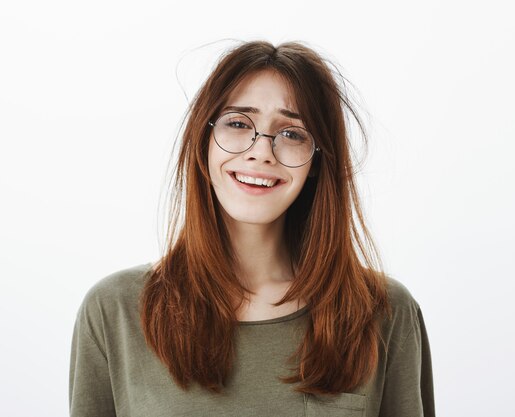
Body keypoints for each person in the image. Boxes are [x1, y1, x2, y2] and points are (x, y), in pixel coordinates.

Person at [69, 40, 435, 417]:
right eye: (238, 123)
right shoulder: (115, 311)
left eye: (292, 133)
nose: (261, 151)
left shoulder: (382, 311)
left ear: (317, 161)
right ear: (204, 142)